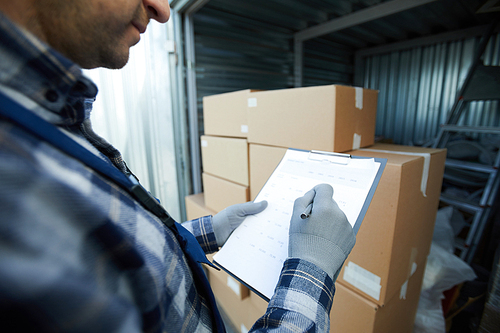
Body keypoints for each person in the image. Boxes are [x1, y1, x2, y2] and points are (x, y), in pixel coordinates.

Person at [0, 0, 356, 332]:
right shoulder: (13, 182)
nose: (162, 10)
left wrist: (204, 232)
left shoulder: (42, 119)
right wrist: (312, 271)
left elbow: (114, 255)